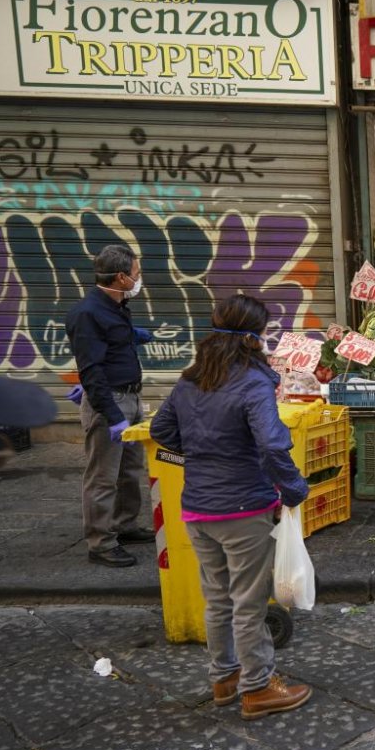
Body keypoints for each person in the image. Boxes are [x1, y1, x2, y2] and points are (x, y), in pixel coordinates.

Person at [150, 295, 312, 720]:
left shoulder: (192, 379)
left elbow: (161, 429)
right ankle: (257, 688)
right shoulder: (252, 381)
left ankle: (224, 678)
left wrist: (206, 452)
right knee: (248, 602)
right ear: (254, 337)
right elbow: (273, 443)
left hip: (197, 508)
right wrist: (294, 488)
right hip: (243, 508)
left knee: (218, 599)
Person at [65, 244, 157, 568]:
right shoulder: (87, 313)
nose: (138, 278)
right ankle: (101, 542)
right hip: (111, 404)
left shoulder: (117, 305)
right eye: (136, 273)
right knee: (103, 476)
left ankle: (125, 525)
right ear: (120, 277)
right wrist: (113, 414)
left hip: (130, 397)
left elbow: (109, 345)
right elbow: (90, 369)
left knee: (130, 471)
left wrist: (131, 335)